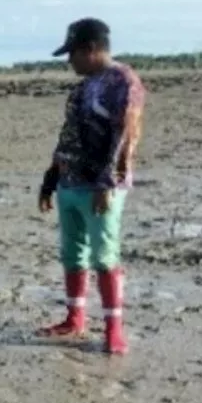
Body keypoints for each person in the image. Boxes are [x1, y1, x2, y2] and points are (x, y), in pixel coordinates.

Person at [38, 18, 146, 355]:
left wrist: (107, 182)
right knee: (73, 253)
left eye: (73, 54)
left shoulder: (123, 82)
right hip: (71, 183)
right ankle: (75, 318)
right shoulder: (82, 88)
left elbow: (125, 135)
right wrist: (51, 177)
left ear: (91, 49)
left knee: (105, 255)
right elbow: (69, 134)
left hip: (101, 187)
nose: (70, 62)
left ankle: (114, 328)